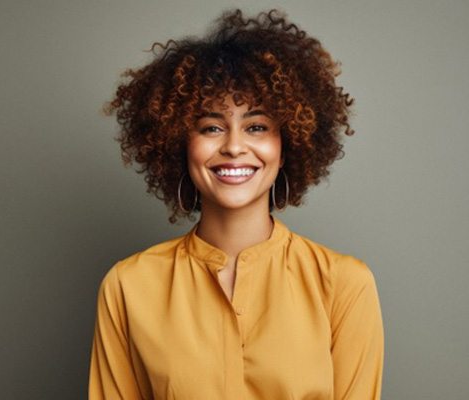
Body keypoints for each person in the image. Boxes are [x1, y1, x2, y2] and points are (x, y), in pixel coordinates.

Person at [88, 9, 383, 400]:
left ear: (288, 143)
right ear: (179, 141)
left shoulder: (343, 285)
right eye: (211, 127)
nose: (233, 146)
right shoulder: (129, 286)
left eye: (256, 126)